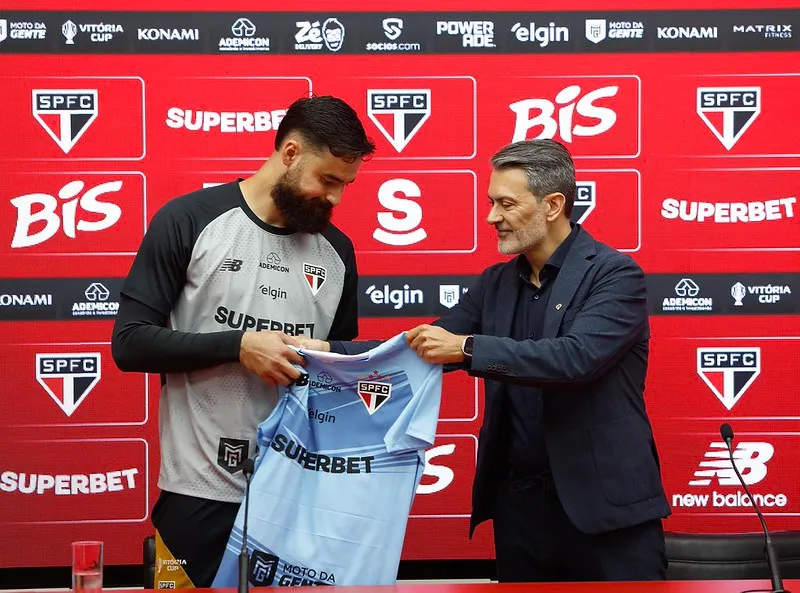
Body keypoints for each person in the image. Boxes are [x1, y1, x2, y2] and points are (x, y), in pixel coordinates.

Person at [299, 139, 671, 582]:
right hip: (519, 512)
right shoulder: (496, 282)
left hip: (607, 514)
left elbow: (577, 359)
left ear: (553, 205)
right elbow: (423, 345)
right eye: (492, 202)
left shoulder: (614, 275)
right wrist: (323, 351)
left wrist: (470, 348)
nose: (492, 216)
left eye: (506, 203)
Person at [111, 95, 376, 589]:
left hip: (299, 495)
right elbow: (129, 343)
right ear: (291, 154)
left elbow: (337, 377)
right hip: (198, 493)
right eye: (329, 180)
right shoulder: (190, 219)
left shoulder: (337, 251)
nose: (336, 198)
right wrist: (238, 345)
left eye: (346, 185)